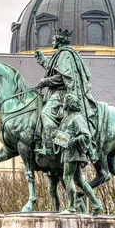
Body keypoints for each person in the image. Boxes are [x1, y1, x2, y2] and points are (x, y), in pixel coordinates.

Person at [34, 29, 98, 162]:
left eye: (53, 39)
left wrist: (44, 82)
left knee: (46, 113)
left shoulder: (65, 54)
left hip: (63, 93)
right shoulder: (62, 55)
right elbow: (57, 69)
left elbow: (62, 78)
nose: (51, 41)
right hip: (58, 92)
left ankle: (54, 145)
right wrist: (42, 59)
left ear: (59, 40)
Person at [57, 94, 102, 215]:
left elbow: (86, 135)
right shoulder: (67, 118)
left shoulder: (77, 118)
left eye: (66, 100)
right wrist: (58, 137)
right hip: (67, 151)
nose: (64, 103)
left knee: (67, 178)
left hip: (73, 153)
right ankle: (96, 205)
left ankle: (71, 208)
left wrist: (73, 140)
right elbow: (64, 136)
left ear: (70, 103)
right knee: (80, 181)